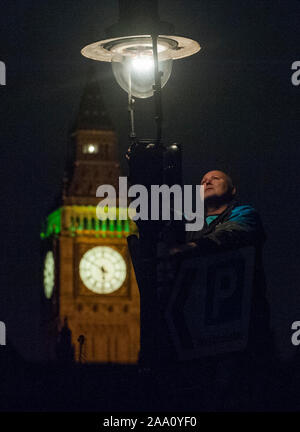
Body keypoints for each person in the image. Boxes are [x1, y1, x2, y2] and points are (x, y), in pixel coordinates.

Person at [167, 170, 274, 409]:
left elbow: (233, 234)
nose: (206, 181)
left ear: (233, 190)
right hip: (197, 340)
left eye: (215, 178)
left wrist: (191, 247)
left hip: (241, 334)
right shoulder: (185, 225)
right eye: (203, 180)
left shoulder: (243, 214)